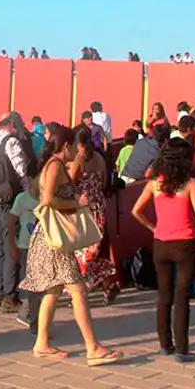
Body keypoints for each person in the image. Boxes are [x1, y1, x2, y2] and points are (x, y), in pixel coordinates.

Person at [19, 125, 122, 366]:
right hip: (55, 241)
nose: (77, 150)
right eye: (74, 145)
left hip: (50, 239)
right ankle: (92, 347)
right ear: (66, 146)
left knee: (54, 291)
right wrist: (76, 201)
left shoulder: (52, 165)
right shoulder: (55, 166)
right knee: (78, 291)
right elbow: (47, 201)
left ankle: (42, 343)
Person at [131, 138, 195, 363]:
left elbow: (136, 211)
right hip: (185, 244)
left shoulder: (155, 183)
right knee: (182, 296)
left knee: (164, 295)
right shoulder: (191, 183)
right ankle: (182, 350)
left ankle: (165, 344)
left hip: (161, 243)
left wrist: (153, 227)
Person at [0, 112, 33, 313]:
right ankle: (10, 297)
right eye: (20, 124)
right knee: (11, 249)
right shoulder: (12, 143)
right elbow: (22, 173)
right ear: (13, 124)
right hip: (10, 204)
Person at [68, 126, 119, 302]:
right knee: (96, 250)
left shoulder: (78, 159)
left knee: (83, 253)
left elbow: (70, 182)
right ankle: (108, 282)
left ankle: (82, 290)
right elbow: (104, 183)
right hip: (99, 207)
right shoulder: (100, 158)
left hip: (84, 210)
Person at [7, 175, 41, 332]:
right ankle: (31, 318)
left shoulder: (47, 198)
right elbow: (11, 222)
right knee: (30, 283)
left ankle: (30, 314)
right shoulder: (22, 198)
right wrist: (12, 245)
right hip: (25, 246)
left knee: (39, 285)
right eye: (38, 178)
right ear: (30, 179)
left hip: (43, 247)